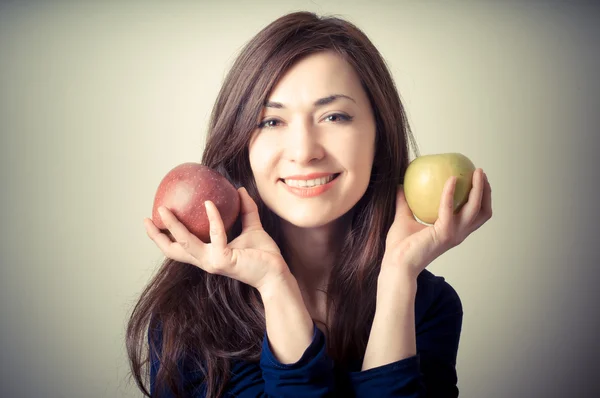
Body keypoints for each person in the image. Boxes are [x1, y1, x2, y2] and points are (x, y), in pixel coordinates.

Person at [126, 11, 492, 398]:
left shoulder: (430, 307)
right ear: (241, 142)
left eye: (334, 116)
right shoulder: (190, 317)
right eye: (270, 121)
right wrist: (274, 285)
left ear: (378, 137)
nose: (304, 152)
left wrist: (398, 280)